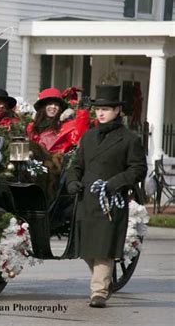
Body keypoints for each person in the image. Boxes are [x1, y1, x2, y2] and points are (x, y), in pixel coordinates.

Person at [66, 85, 147, 308]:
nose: (100, 113)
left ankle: (99, 292)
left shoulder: (129, 139)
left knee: (103, 247)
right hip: (86, 199)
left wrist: (114, 183)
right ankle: (104, 282)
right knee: (87, 250)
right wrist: (72, 181)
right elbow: (76, 165)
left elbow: (138, 169)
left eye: (106, 109)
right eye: (98, 109)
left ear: (117, 111)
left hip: (111, 200)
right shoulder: (89, 137)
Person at [26, 87, 90, 154]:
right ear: (43, 106)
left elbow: (77, 138)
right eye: (50, 103)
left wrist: (83, 113)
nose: (53, 106)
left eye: (56, 104)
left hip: (57, 163)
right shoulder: (31, 127)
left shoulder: (65, 127)